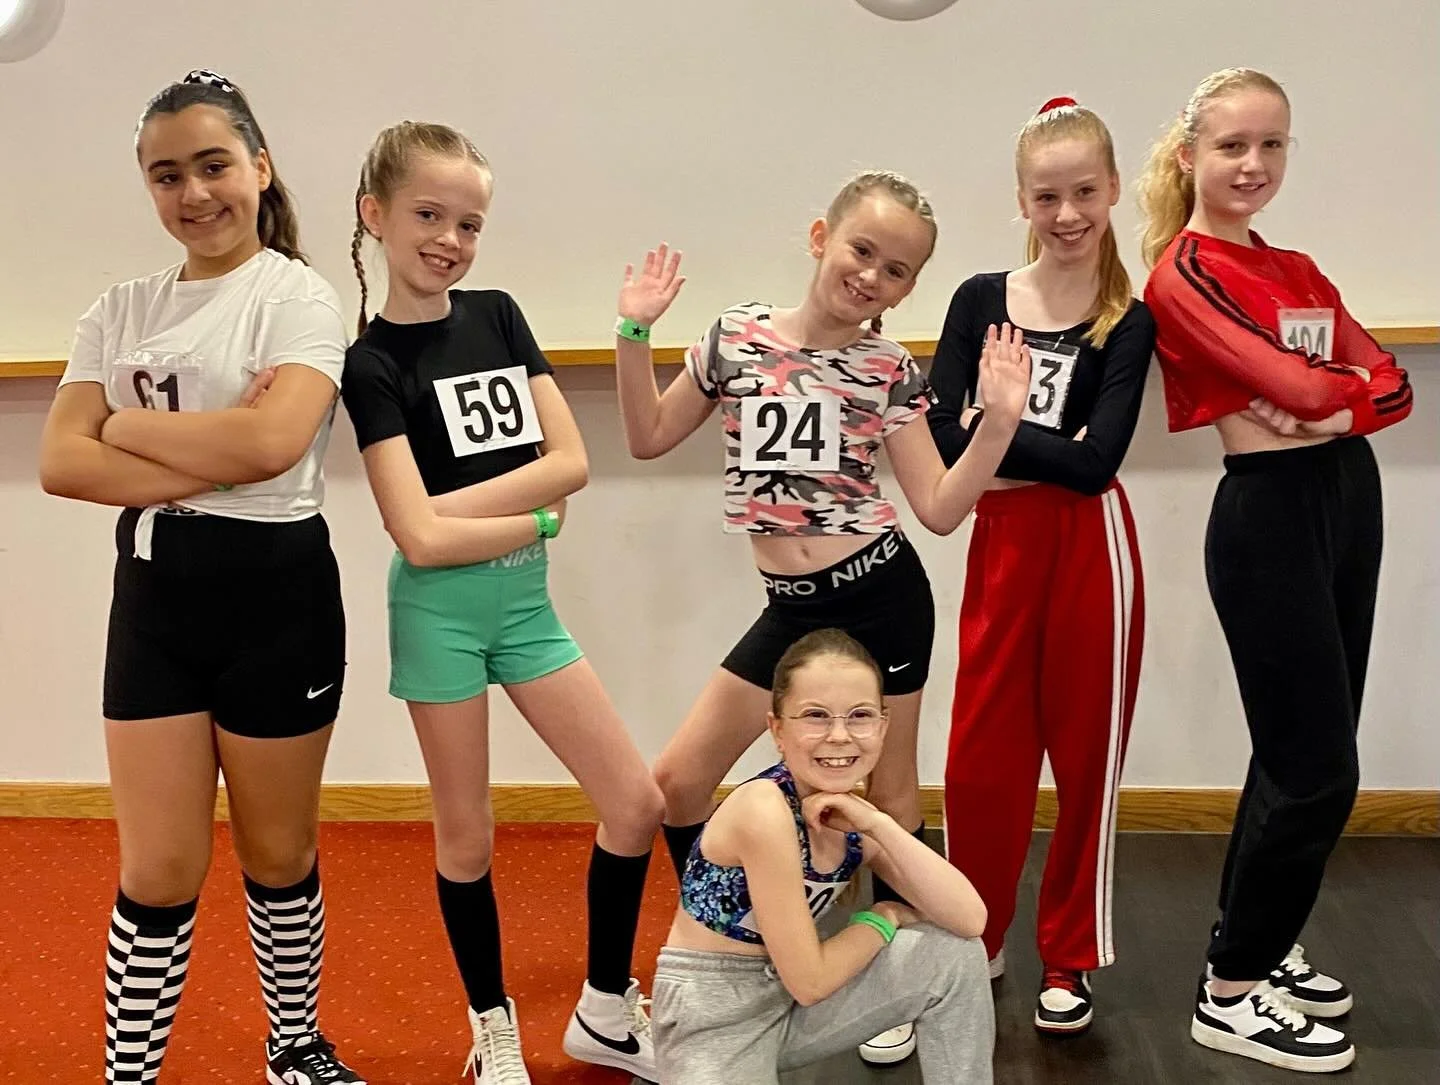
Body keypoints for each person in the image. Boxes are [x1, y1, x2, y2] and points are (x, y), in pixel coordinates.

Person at [613, 169, 1027, 1064]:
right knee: (679, 780)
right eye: (861, 250)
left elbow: (938, 506)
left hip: (880, 594)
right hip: (790, 609)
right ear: (819, 237)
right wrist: (634, 331)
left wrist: (996, 425)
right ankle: (728, 951)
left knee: (892, 792)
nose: (871, 275)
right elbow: (646, 436)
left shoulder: (889, 370)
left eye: (897, 270)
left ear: (909, 289)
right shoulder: (736, 338)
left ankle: (899, 975)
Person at [37, 69, 363, 1084]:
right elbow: (61, 462)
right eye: (166, 174)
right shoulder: (119, 308)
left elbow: (273, 442)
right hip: (155, 598)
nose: (194, 193)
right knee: (158, 867)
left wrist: (124, 425)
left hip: (278, 599)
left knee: (277, 853)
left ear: (260, 168)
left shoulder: (297, 296)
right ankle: (128, 1071)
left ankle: (294, 1046)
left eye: (214, 165)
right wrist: (217, 451)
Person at [339, 121, 665, 1084]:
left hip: (526, 608)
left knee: (634, 801)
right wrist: (538, 519)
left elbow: (572, 460)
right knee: (468, 835)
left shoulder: (499, 316)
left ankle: (605, 1008)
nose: (450, 239)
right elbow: (422, 542)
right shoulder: (370, 363)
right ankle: (492, 1026)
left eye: (470, 223)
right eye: (428, 215)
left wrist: (446, 510)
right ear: (376, 216)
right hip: (437, 616)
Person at [1139, 67, 1413, 1074]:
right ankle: (1231, 993)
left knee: (1295, 748)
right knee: (1318, 769)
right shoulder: (1184, 272)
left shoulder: (1293, 265)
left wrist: (1338, 406)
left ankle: (1252, 939)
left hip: (1347, 496)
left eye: (1272, 144)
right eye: (1231, 145)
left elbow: (1389, 382)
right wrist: (1337, 395)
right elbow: (1300, 384)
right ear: (1190, 156)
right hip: (1269, 515)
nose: (1253, 164)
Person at [929, 97, 1154, 1036]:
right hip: (1004, 543)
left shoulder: (1128, 320)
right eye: (1048, 196)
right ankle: (974, 935)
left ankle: (1069, 954)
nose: (1067, 215)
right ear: (1021, 199)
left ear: (1114, 191)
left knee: (1086, 754)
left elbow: (1098, 465)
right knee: (980, 757)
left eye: (1085, 194)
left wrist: (997, 425)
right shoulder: (980, 299)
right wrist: (1009, 438)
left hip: (1092, 548)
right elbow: (941, 438)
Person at [651, 628, 995, 1083]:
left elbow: (970, 919)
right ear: (777, 729)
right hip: (712, 1019)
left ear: (883, 727)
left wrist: (879, 824)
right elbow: (810, 982)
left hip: (785, 1000)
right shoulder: (763, 809)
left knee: (954, 956)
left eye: (860, 716)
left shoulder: (851, 819)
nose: (839, 735)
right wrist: (884, 917)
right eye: (816, 716)